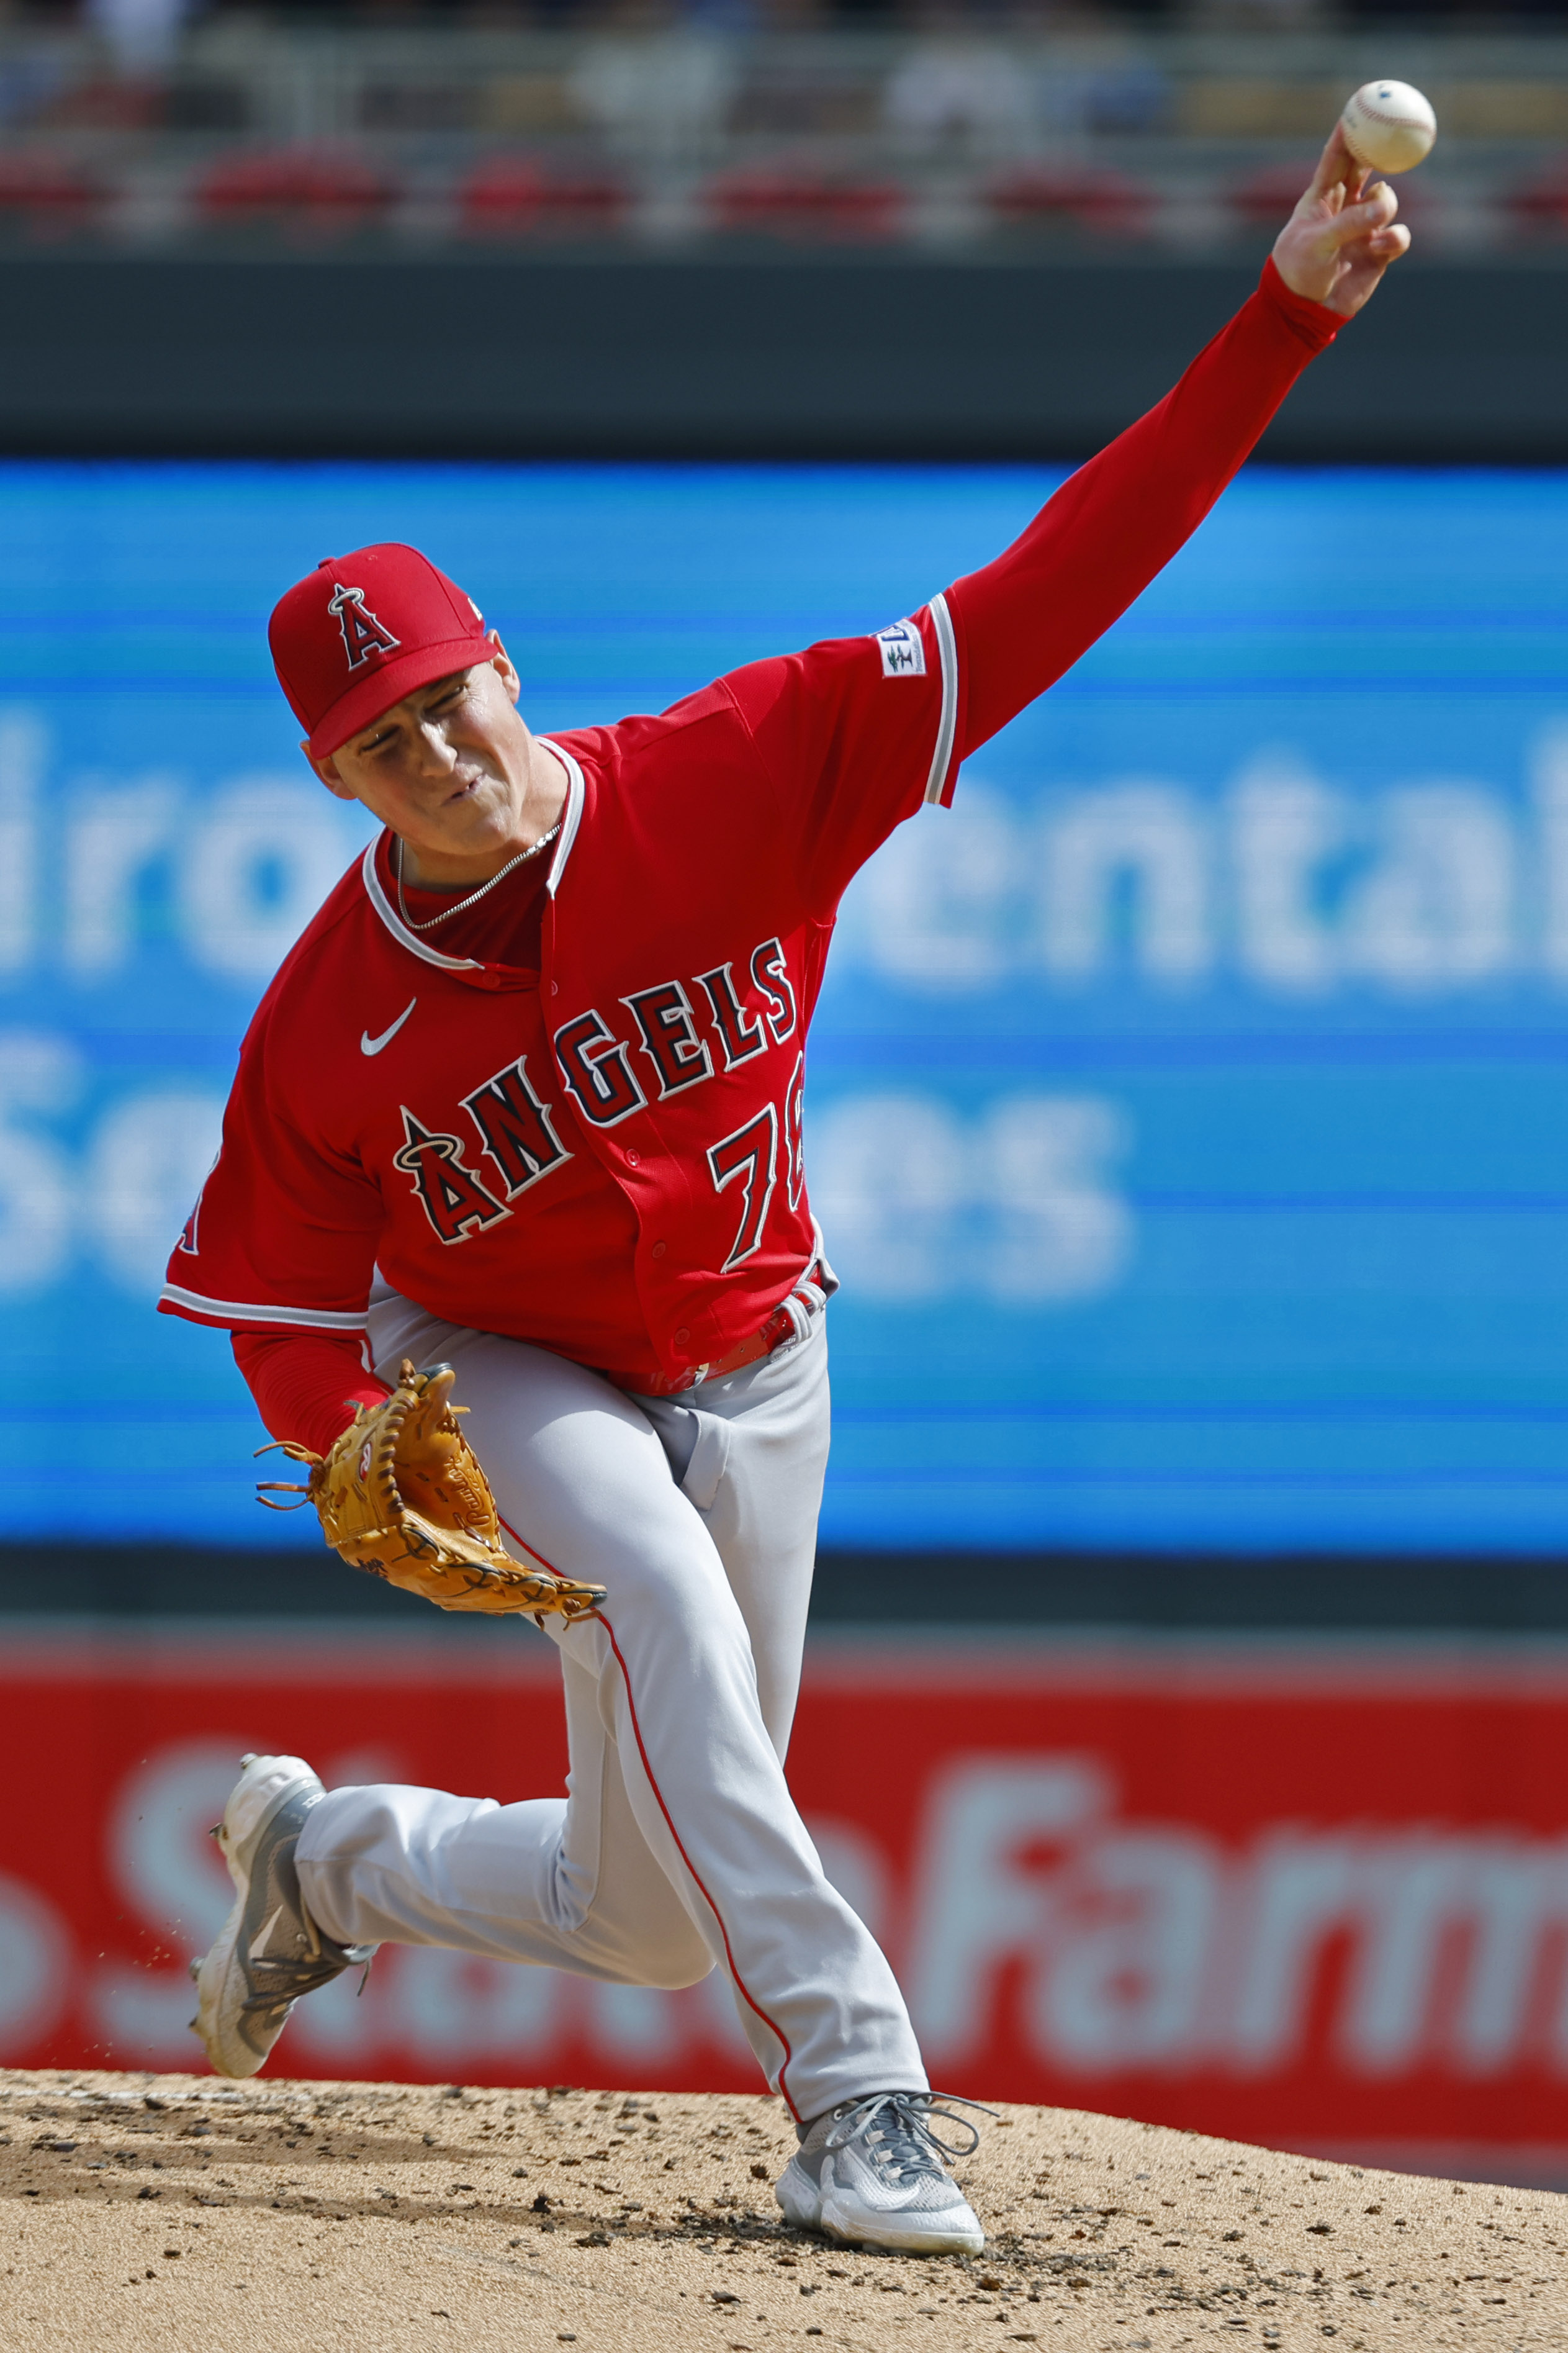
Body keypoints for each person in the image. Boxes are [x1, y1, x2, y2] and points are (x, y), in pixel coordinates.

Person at [162, 133, 1407, 2256]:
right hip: (513, 1359)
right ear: (335, 781)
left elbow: (1058, 583)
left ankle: (326, 1861)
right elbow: (280, 1308)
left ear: (503, 665)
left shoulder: (752, 764)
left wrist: (1280, 315)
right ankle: (860, 2094)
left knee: (638, 1916)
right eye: (384, 741)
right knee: (656, 1594)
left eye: (446, 697)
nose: (439, 756)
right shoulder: (328, 1023)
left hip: (759, 1346)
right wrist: (361, 1450)